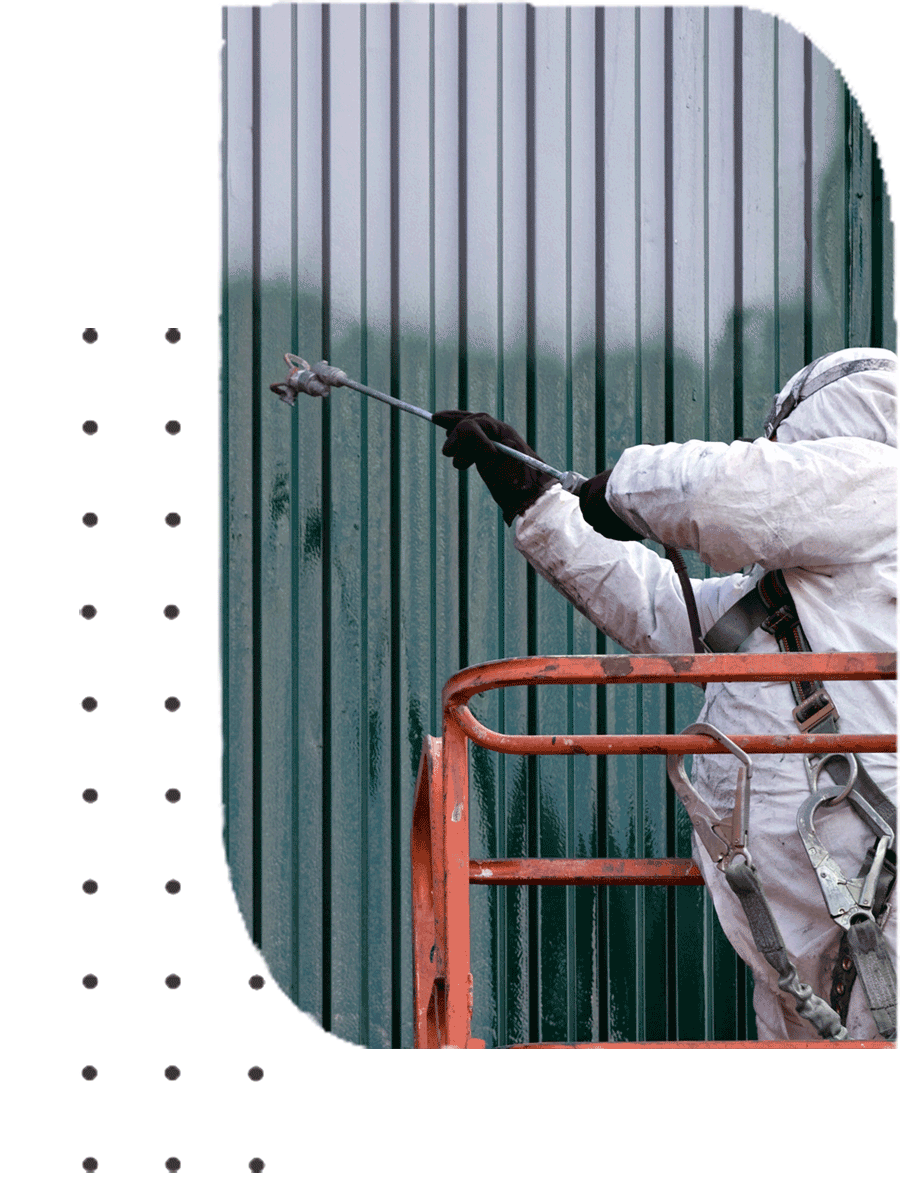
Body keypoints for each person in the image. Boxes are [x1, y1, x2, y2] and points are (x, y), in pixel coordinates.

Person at [434, 346, 897, 1041]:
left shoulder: (881, 486)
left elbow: (727, 495)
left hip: (867, 857)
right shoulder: (803, 587)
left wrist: (621, 488)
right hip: (811, 891)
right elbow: (660, 613)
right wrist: (536, 505)